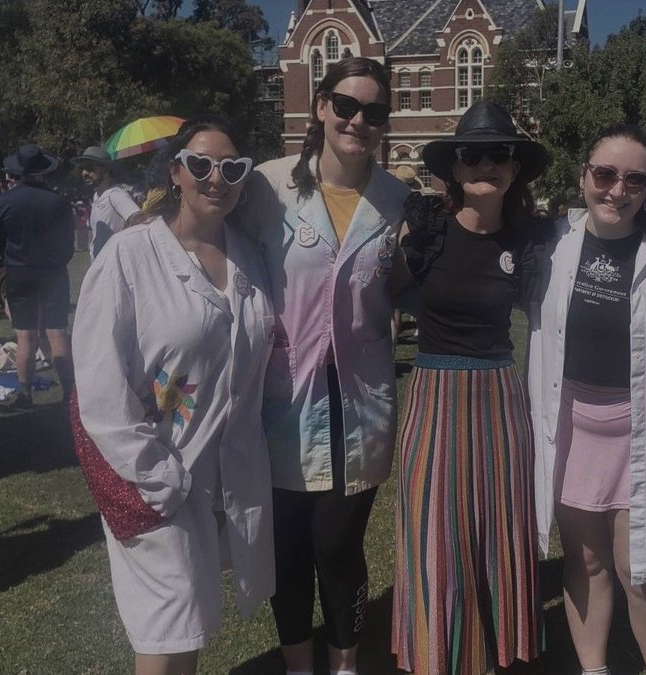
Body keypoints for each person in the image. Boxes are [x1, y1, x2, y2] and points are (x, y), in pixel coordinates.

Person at [73, 116, 274, 675]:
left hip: (227, 472)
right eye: (201, 165)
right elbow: (98, 384)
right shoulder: (130, 257)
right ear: (176, 173)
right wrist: (154, 475)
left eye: (232, 167)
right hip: (157, 470)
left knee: (191, 622)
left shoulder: (249, 258)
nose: (217, 178)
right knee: (169, 623)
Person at [232, 57, 408, 675]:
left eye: (374, 112)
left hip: (360, 405)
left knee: (337, 545)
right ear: (321, 108)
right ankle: (298, 664)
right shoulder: (266, 187)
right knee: (288, 548)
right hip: (280, 400)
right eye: (346, 106)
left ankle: (345, 665)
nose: (359, 120)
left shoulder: (398, 202)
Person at [527, 124, 646, 675]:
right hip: (573, 429)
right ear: (584, 176)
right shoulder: (555, 248)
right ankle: (594, 670)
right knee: (585, 561)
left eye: (634, 179)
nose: (617, 190)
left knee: (645, 568)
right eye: (605, 174)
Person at [391, 100, 548, 675]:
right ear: (455, 169)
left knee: (497, 535)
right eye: (472, 154)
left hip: (500, 400)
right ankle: (438, 656)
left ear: (514, 169)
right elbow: (375, 295)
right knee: (433, 530)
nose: (485, 163)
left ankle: (495, 654)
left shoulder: (532, 243)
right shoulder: (425, 232)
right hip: (432, 395)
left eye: (499, 153)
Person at [0, 143, 76, 408]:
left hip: (19, 273)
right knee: (57, 334)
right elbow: (67, 244)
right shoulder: (59, 202)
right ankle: (69, 393)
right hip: (52, 271)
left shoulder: (4, 202)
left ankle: (25, 394)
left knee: (25, 336)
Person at [71, 145, 140, 258]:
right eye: (82, 169)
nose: (84, 173)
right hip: (100, 266)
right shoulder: (97, 196)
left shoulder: (115, 195)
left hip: (115, 266)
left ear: (104, 169)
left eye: (89, 168)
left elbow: (139, 220)